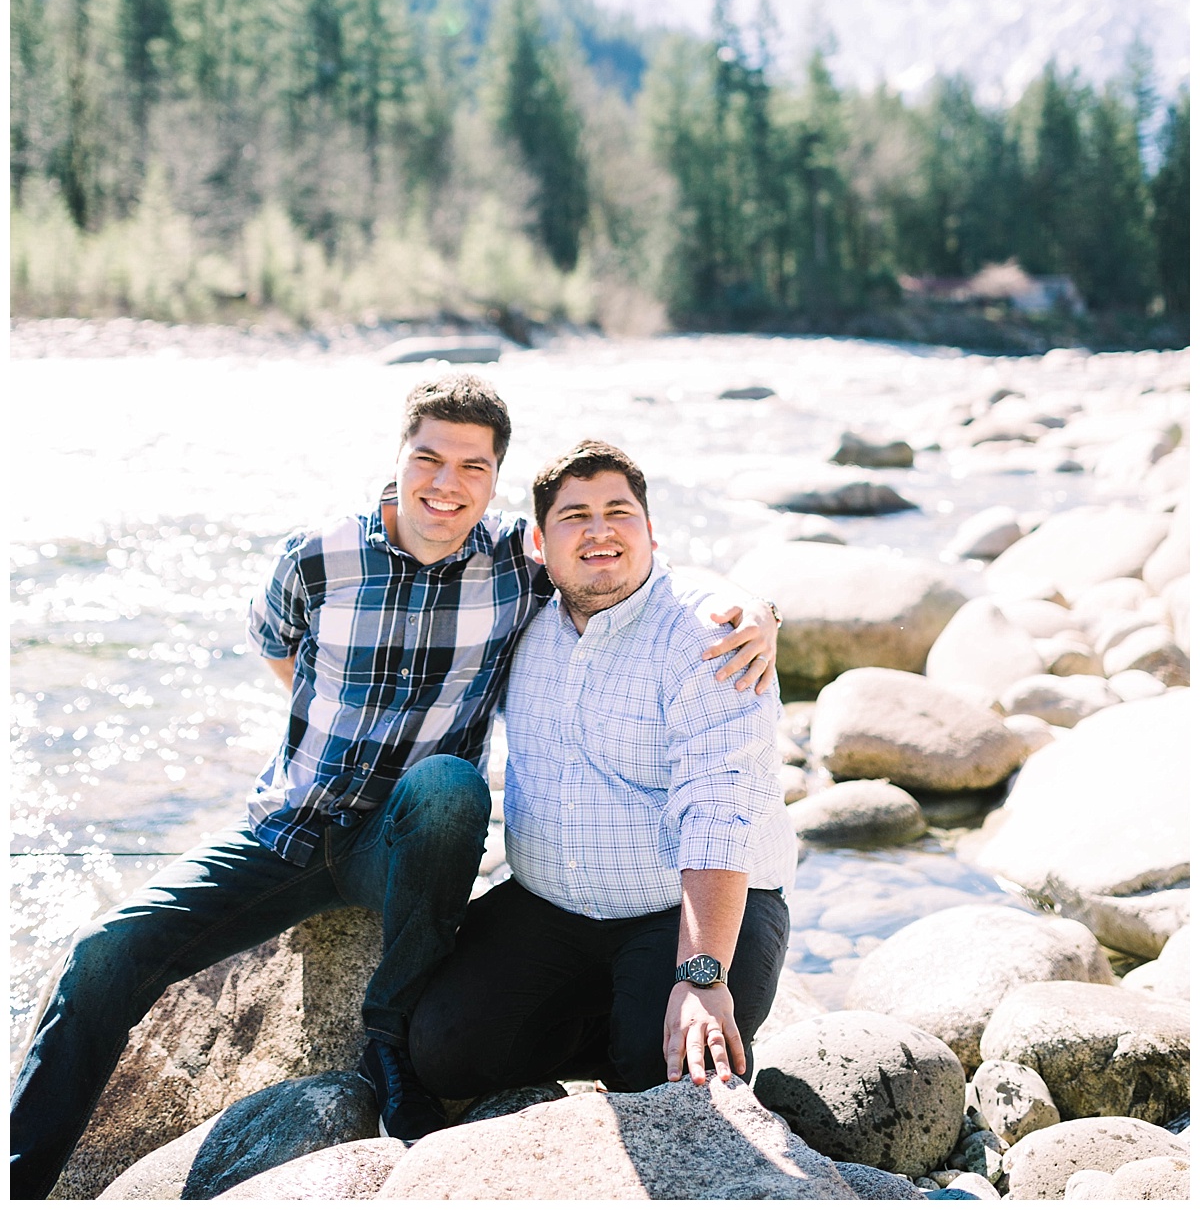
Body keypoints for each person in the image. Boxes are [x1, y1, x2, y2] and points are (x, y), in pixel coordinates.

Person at [10, 375, 779, 1197]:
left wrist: (760, 607)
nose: (447, 484)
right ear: (399, 457)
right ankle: (18, 1181)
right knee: (103, 955)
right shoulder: (320, 554)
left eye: (472, 467)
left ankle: (389, 1034)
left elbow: (622, 556)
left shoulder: (515, 564)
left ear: (493, 483)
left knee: (448, 786)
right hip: (288, 832)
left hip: (412, 839)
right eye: (429, 458)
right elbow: (276, 645)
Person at [408, 439, 795, 1103]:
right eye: (575, 515)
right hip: (553, 908)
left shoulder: (711, 631)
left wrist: (702, 978)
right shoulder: (521, 615)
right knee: (445, 1052)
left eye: (620, 511)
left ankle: (642, 1026)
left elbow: (718, 807)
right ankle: (616, 1022)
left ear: (651, 531)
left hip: (684, 906)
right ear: (538, 542)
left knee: (671, 1074)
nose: (600, 530)